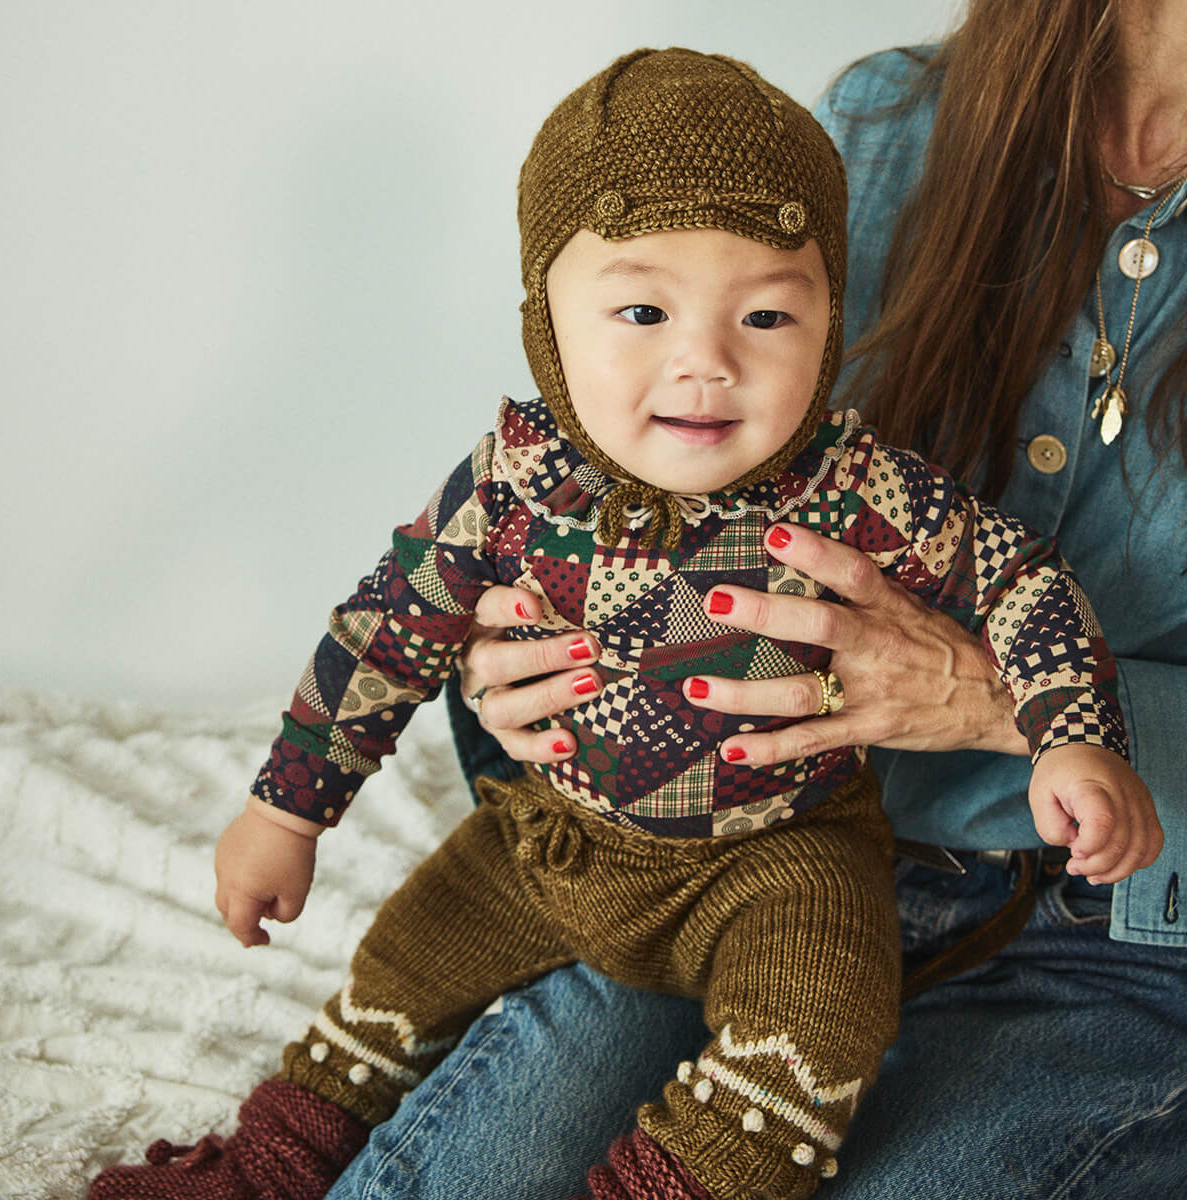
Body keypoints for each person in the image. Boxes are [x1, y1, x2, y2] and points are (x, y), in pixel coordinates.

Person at [87, 43, 1161, 1200]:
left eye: (764, 316)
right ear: (548, 319)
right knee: (404, 961)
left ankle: (674, 1181)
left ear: (830, 319)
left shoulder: (851, 488)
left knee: (819, 1010)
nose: (703, 364)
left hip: (783, 858)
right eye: (642, 310)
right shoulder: (516, 482)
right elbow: (387, 629)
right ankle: (271, 1158)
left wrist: (1069, 732)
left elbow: (1019, 581)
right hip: (564, 839)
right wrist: (284, 807)